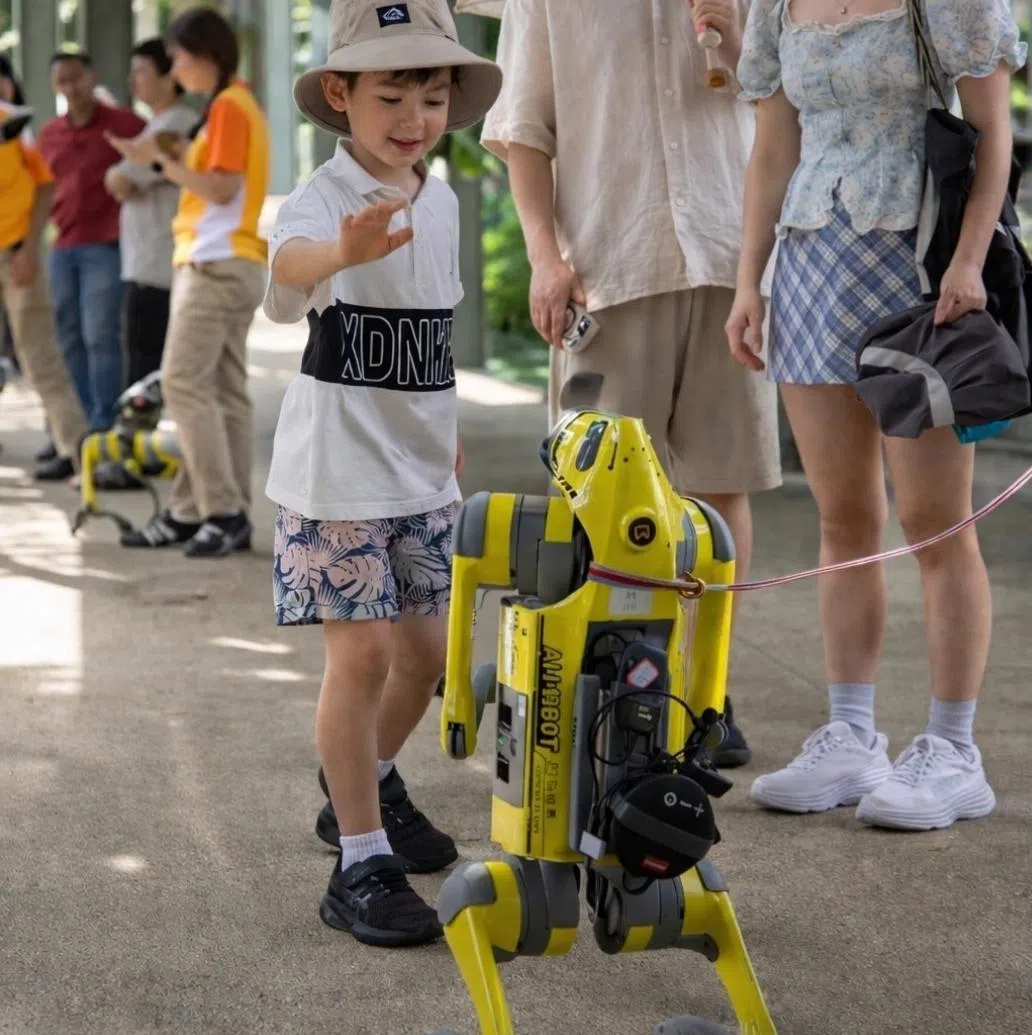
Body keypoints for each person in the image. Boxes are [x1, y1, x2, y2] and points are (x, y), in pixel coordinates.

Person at [726, 0, 1026, 830]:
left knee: (935, 521)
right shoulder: (776, 6)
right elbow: (772, 148)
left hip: (921, 267)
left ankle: (952, 749)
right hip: (811, 265)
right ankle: (851, 735)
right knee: (843, 518)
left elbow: (992, 131)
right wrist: (748, 282)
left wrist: (968, 263)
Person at [481, 0, 782, 767]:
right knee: (597, 504)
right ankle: (603, 696)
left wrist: (742, 37)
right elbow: (521, 129)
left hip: (727, 258)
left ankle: (705, 691)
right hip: (608, 269)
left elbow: (785, 103)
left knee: (721, 489)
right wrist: (545, 258)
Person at [263, 0, 501, 946]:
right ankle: (359, 859)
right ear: (340, 95)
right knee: (359, 656)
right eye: (391, 92)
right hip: (335, 476)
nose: (413, 115)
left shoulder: (438, 198)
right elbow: (286, 282)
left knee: (433, 660)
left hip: (419, 475)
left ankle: (363, 780)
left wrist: (444, 441)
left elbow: (430, 332)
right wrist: (343, 251)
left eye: (433, 95)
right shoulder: (324, 199)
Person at [108, 9, 269, 557]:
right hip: (232, 262)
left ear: (204, 56)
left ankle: (220, 511)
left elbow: (220, 190)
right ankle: (194, 510)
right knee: (222, 393)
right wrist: (166, 159)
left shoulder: (227, 107)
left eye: (177, 58)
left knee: (181, 384)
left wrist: (160, 163)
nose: (175, 70)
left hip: (216, 264)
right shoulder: (235, 105)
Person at [36, 52, 145, 461]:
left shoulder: (125, 125)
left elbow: (158, 162)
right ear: (54, 88)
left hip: (106, 245)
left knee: (100, 335)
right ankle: (75, 429)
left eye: (76, 79)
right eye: (61, 82)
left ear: (91, 76)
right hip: (62, 246)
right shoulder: (49, 134)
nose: (70, 88)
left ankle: (104, 429)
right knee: (66, 337)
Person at [0, 56, 89, 481]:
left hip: (17, 255)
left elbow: (44, 183)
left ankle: (80, 457)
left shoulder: (14, 127)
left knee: (40, 360)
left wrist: (30, 248)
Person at [104, 38, 196, 389]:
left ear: (169, 76)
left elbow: (120, 180)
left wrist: (122, 173)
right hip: (149, 264)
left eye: (141, 71)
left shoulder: (175, 125)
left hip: (157, 269)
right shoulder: (156, 125)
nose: (133, 81)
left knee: (147, 374)